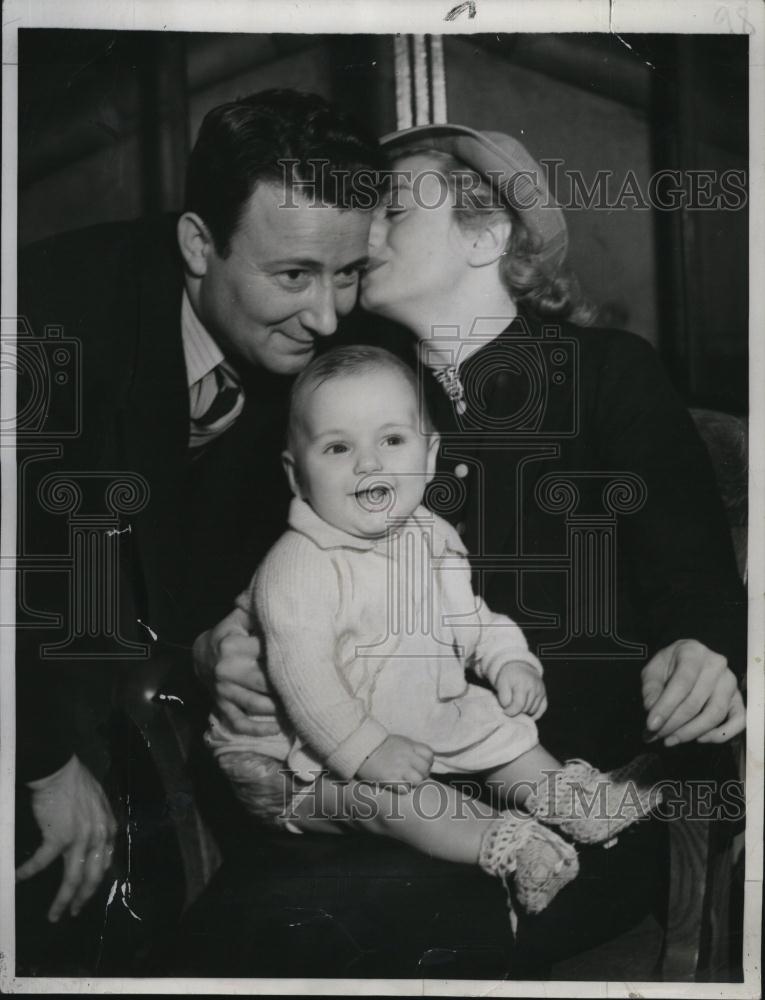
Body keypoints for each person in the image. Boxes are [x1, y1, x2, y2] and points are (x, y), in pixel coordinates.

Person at [196, 124, 746, 975]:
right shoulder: (340, 401)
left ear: (488, 234)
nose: (360, 234)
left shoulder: (606, 372)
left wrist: (702, 652)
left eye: (388, 211)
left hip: (575, 804)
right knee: (242, 934)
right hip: (372, 796)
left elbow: (699, 587)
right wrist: (221, 652)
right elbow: (249, 585)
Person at [14, 88, 384, 971]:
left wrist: (223, 634)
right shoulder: (43, 319)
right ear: (195, 244)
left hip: (138, 700)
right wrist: (41, 765)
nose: (328, 317)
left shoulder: (335, 348)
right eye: (293, 275)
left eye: (348, 273)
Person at [205, 343, 663, 914]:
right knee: (397, 802)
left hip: (413, 704)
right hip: (307, 748)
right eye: (338, 447)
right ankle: (507, 844)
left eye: (392, 440)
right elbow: (306, 683)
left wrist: (507, 658)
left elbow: (466, 615)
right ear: (296, 477)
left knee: (505, 731)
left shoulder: (433, 535)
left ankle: (573, 800)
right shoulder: (298, 565)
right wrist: (367, 751)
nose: (369, 464)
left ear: (429, 456)